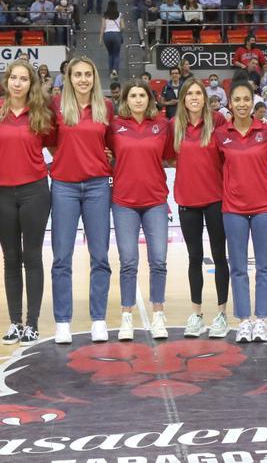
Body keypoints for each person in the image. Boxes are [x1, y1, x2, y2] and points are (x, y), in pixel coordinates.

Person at [0, 59, 54, 346]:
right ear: (6, 80)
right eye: (14, 77)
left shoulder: (41, 113)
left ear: (30, 84)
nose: (18, 83)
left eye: (24, 79)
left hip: (35, 191)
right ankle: (15, 322)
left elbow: (59, 144)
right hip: (1, 193)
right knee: (10, 258)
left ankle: (33, 323)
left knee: (32, 257)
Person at [47, 57, 114, 343]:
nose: (83, 79)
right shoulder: (56, 106)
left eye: (88, 74)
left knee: (100, 256)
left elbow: (110, 143)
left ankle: (98, 319)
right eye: (78, 75)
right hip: (64, 186)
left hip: (98, 186)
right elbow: (49, 140)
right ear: (69, 78)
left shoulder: (105, 107)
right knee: (62, 257)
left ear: (94, 78)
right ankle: (63, 321)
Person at [108, 81, 173, 340]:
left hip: (156, 201)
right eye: (132, 95)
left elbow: (168, 156)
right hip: (123, 202)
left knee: (158, 260)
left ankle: (158, 315)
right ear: (125, 99)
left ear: (149, 99)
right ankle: (126, 318)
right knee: (128, 262)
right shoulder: (114, 127)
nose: (137, 99)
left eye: (142, 95)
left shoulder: (162, 126)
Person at [216, 81, 267, 343]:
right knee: (238, 267)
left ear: (252, 103)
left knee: (265, 266)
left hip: (264, 205)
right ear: (229, 103)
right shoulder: (221, 134)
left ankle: (261, 320)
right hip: (233, 208)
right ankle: (243, 321)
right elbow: (219, 163)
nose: (242, 104)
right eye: (237, 100)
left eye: (246, 99)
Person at [170, 79, 231, 338]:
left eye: (198, 93)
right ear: (182, 98)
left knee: (219, 256)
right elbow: (164, 155)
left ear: (205, 98)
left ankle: (221, 314)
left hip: (216, 199)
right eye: (189, 93)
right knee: (194, 257)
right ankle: (196, 314)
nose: (194, 97)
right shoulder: (174, 127)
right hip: (187, 201)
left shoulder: (217, 121)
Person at [101, 1, 125, 79]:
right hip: (116, 34)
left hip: (107, 35)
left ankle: (111, 71)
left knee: (110, 54)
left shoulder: (105, 15)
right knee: (116, 54)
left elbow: (103, 27)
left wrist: (100, 39)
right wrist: (120, 32)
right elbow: (123, 27)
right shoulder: (120, 14)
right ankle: (115, 70)